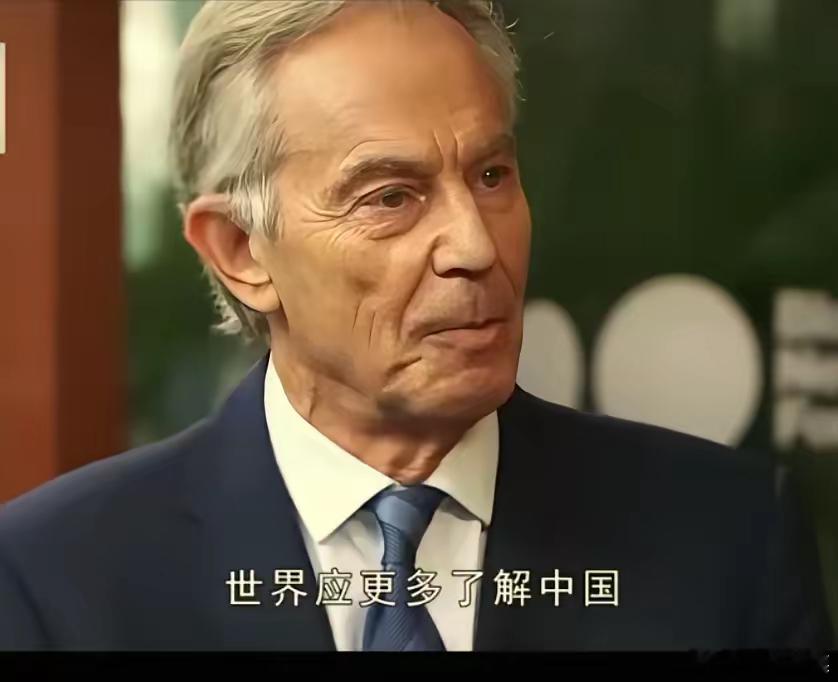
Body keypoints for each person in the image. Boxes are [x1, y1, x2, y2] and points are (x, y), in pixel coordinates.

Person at [0, 0, 833, 652]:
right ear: (241, 249)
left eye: (492, 175)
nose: (475, 247)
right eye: (391, 197)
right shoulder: (54, 581)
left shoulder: (727, 543)